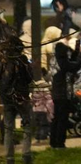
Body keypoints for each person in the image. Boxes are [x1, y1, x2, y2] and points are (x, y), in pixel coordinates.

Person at [0, 35, 34, 163]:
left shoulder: (3, 61)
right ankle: (26, 154)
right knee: (27, 124)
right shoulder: (22, 59)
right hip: (21, 97)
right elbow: (29, 78)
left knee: (8, 128)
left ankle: (9, 157)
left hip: (7, 99)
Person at [50, 39, 81, 148]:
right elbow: (74, 66)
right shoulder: (63, 63)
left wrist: (77, 48)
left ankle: (54, 142)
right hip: (63, 94)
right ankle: (60, 143)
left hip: (56, 93)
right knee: (62, 119)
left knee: (56, 119)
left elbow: (70, 61)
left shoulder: (55, 60)